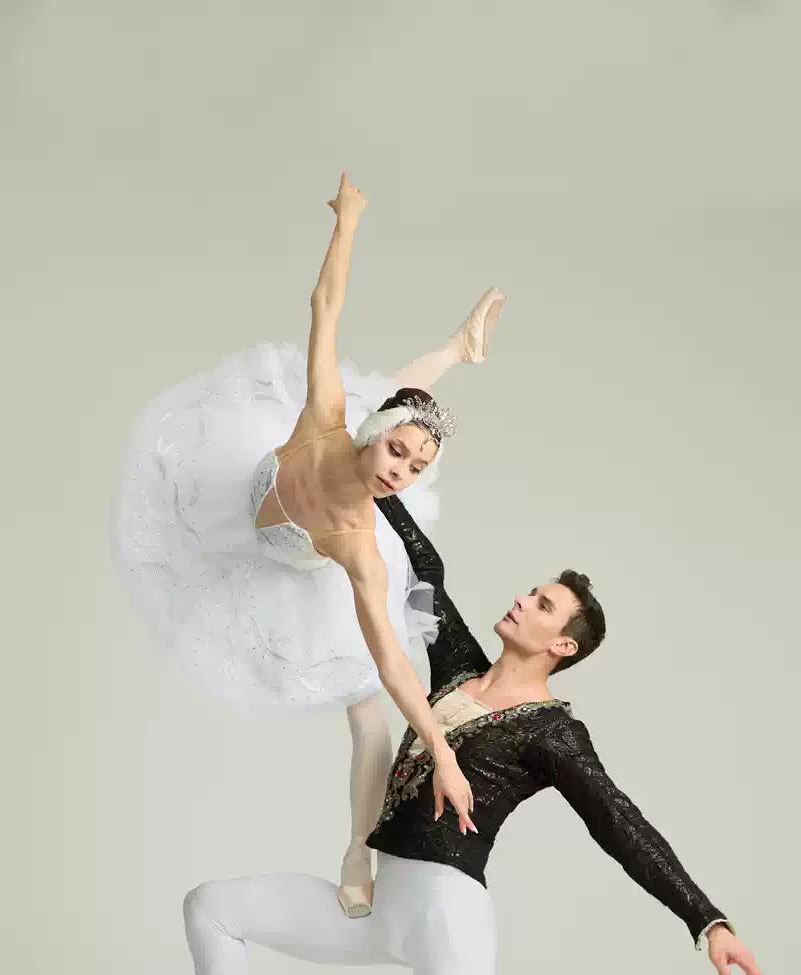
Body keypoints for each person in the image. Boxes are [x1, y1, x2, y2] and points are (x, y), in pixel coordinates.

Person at [153, 495, 766, 975]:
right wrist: (370, 477)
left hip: (445, 918)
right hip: (379, 908)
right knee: (211, 908)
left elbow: (620, 823)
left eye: (543, 605)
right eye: (531, 592)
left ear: (562, 645)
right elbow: (425, 572)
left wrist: (708, 921)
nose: (523, 600)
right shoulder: (457, 673)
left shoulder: (553, 732)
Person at [112, 173, 506, 916]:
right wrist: (347, 222)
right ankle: (458, 348)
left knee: (366, 709)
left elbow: (394, 663)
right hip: (245, 487)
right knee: (377, 394)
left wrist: (443, 750)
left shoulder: (360, 546)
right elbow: (326, 306)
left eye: (415, 469)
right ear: (370, 439)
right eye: (396, 454)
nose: (400, 473)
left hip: (298, 567)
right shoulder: (327, 419)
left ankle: (358, 849)